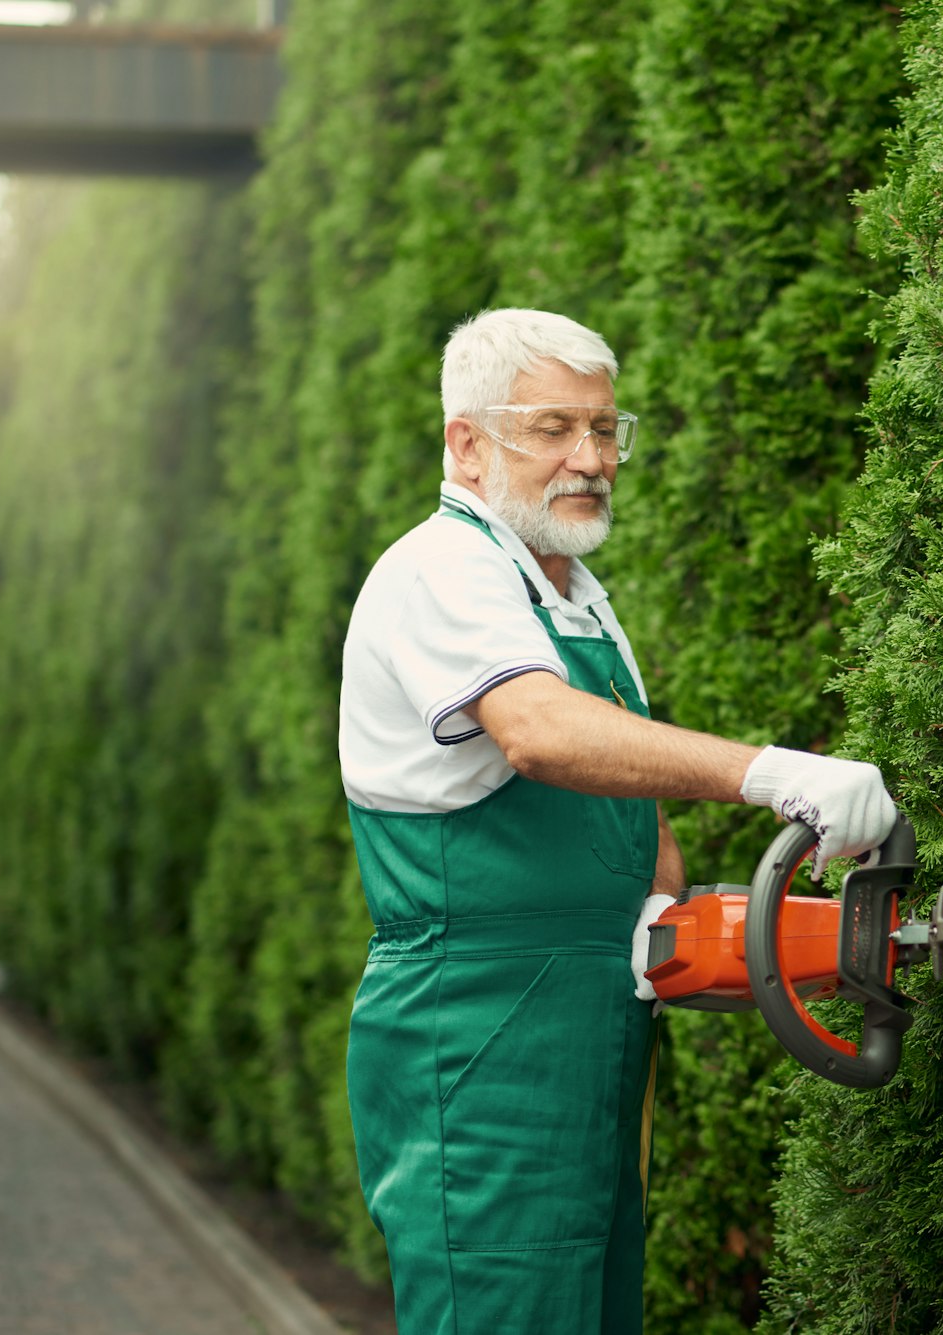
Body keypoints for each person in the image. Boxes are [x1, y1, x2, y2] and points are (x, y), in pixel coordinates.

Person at [337, 308, 896, 1333]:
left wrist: (672, 924)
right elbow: (541, 733)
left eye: (604, 430)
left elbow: (627, 806)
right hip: (479, 1030)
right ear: (465, 442)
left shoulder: (573, 596)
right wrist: (771, 772)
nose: (589, 458)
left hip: (594, 1026)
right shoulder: (440, 571)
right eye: (551, 428)